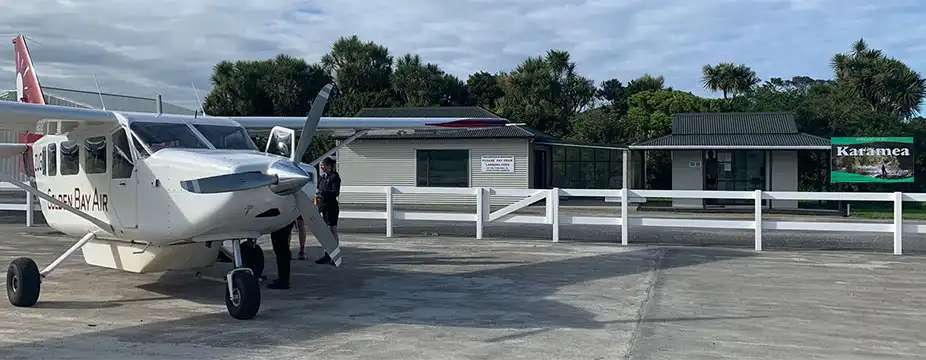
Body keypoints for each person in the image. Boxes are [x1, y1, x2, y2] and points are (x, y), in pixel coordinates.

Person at [314, 157, 341, 265]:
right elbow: (318, 188)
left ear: (329, 166)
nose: (322, 168)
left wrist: (323, 193)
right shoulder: (322, 178)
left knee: (332, 230)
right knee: (325, 231)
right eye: (321, 166)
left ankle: (335, 255)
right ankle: (327, 254)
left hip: (331, 207)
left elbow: (335, 192)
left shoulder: (335, 177)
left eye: (324, 165)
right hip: (322, 207)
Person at [267, 220, 295, 289]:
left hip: (282, 223)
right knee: (280, 248)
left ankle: (283, 280)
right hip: (284, 222)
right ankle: (282, 278)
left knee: (281, 248)